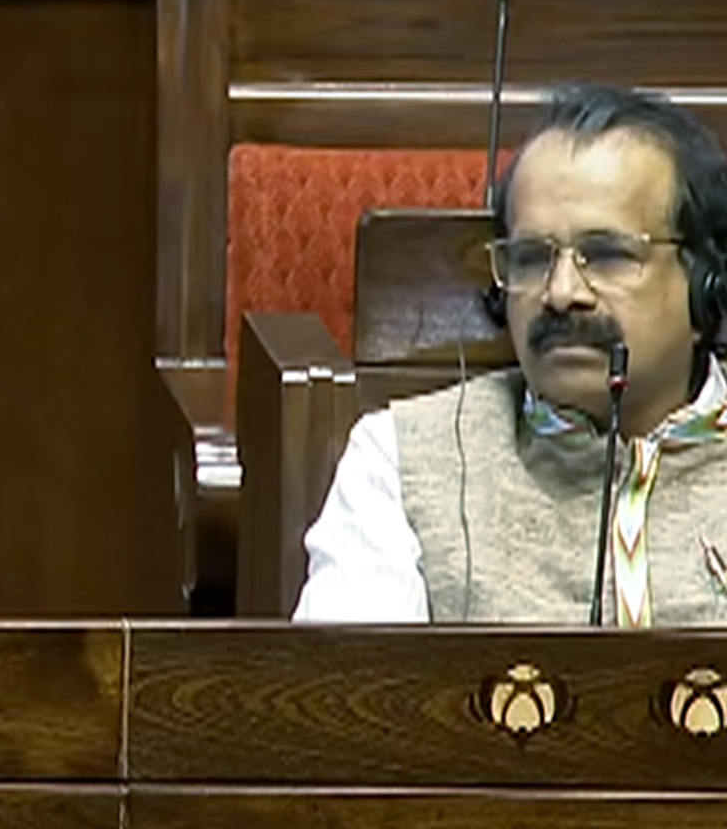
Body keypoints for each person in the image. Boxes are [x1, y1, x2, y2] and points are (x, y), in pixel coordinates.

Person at [295, 83, 727, 625]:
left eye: (608, 254)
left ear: (707, 285)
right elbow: (351, 697)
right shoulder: (402, 460)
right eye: (530, 258)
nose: (561, 291)